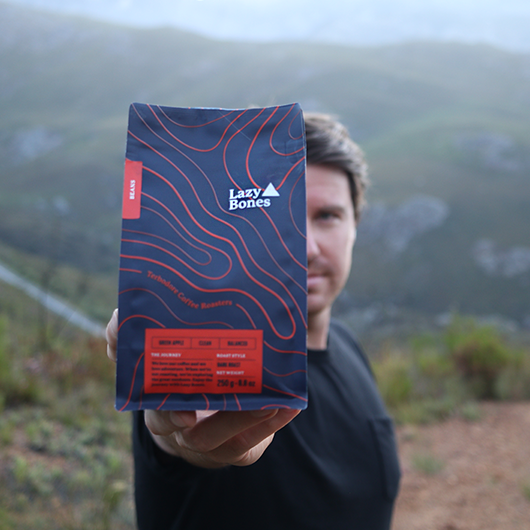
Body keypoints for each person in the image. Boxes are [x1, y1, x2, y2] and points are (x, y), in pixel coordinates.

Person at [106, 112, 401, 529]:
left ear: (356, 225)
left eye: (328, 216)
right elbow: (179, 437)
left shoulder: (348, 347)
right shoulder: (223, 357)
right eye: (287, 216)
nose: (308, 247)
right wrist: (182, 437)